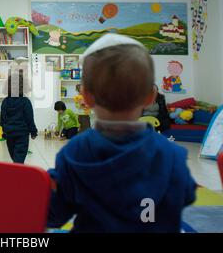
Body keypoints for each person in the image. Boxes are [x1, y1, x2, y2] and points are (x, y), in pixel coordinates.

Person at [47, 34, 196, 232]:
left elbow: (55, 215)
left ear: (86, 97)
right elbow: (186, 195)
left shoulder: (74, 152)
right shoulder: (172, 154)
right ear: (151, 97)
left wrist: (51, 187)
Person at [0, 70, 37, 163]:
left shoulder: (5, 101)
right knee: (19, 158)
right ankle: (18, 172)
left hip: (9, 134)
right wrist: (33, 131)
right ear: (23, 87)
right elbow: (30, 118)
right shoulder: (25, 101)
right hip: (22, 134)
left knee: (13, 156)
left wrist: (3, 130)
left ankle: (16, 171)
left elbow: (3, 118)